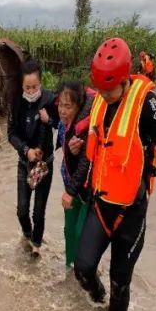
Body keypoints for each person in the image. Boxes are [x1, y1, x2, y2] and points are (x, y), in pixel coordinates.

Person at [69, 38, 156, 311]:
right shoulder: (99, 100)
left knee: (120, 282)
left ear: (124, 79)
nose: (104, 95)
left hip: (131, 211)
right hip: (101, 205)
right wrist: (78, 144)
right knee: (82, 269)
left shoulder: (147, 104)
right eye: (99, 89)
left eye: (109, 89)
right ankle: (98, 300)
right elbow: (96, 141)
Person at [7, 59, 56, 256]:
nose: (31, 90)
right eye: (27, 87)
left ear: (41, 83)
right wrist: (26, 150)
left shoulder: (51, 100)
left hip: (45, 165)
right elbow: (10, 133)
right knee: (22, 210)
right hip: (25, 163)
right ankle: (27, 236)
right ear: (21, 86)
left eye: (34, 87)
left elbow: (63, 125)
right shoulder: (16, 102)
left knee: (38, 212)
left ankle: (36, 248)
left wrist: (49, 119)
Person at [54, 80, 94, 271]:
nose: (62, 110)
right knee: (69, 231)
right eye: (60, 105)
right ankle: (69, 269)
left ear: (79, 107)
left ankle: (83, 272)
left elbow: (86, 165)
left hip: (84, 191)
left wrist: (73, 153)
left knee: (80, 233)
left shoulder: (85, 130)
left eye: (68, 106)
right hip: (69, 186)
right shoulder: (63, 125)